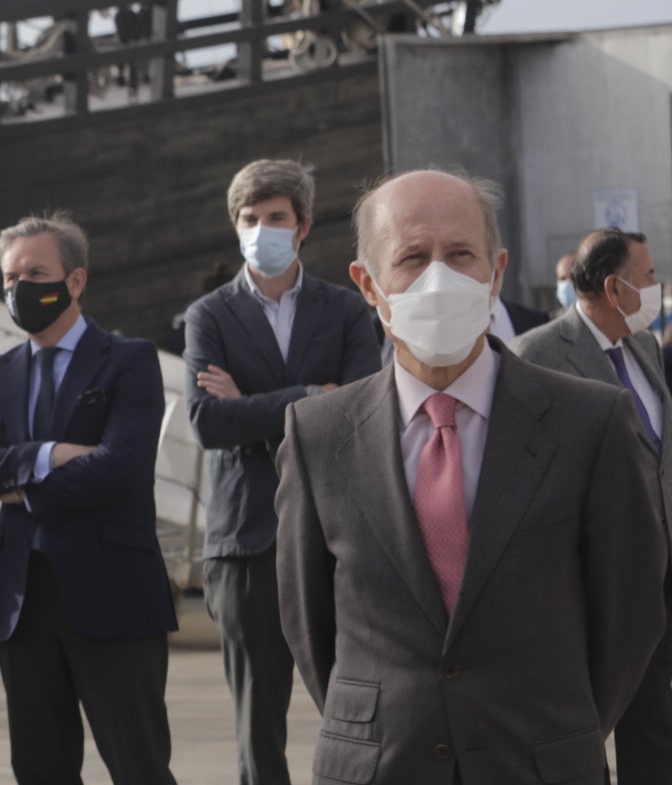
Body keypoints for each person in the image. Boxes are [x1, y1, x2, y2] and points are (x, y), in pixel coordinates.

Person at [277, 169, 665, 784]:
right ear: (368, 284)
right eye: (411, 257)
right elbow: (310, 624)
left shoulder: (588, 421)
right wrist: (387, 722)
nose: (441, 278)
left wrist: (565, 725)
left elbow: (629, 610)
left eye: (461, 254)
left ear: (497, 273)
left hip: (540, 762)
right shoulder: (317, 436)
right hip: (380, 767)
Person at [0, 214, 179, 785]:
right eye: (9, 277)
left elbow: (120, 469)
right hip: (22, 603)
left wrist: (16, 485)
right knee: (40, 769)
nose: (18, 289)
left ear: (75, 281)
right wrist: (51, 455)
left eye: (35, 273)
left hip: (115, 597)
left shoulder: (129, 360)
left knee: (139, 766)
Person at [182, 161, 381, 785]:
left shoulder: (348, 311)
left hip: (336, 530)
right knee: (257, 721)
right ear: (234, 226)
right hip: (245, 541)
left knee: (356, 707)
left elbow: (359, 412)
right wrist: (305, 395)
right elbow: (209, 422)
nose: (261, 229)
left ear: (303, 228)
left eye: (276, 218)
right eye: (250, 219)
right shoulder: (208, 315)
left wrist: (254, 403)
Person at [513, 228, 671, 778]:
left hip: (655, 571)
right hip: (587, 575)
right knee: (581, 729)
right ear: (614, 287)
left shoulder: (645, 344)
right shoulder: (537, 355)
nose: (658, 286)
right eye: (649, 276)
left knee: (655, 723)